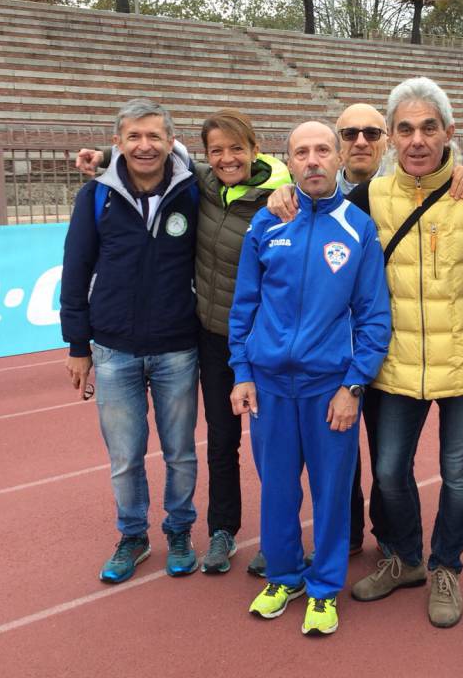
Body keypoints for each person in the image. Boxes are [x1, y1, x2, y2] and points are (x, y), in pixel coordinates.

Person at [74, 110, 292, 576]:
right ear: (204, 156)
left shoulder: (270, 196)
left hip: (250, 342)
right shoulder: (186, 187)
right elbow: (77, 269)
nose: (227, 158)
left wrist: (287, 185)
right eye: (217, 151)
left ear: (256, 149)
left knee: (264, 444)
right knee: (195, 444)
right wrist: (106, 153)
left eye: (237, 148)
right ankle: (188, 533)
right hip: (195, 338)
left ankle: (247, 536)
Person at [342, 77, 463, 629]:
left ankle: (445, 565)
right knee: (388, 473)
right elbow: (315, 214)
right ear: (389, 138)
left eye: (429, 127)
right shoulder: (369, 197)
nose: (417, 139)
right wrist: (283, 194)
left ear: (449, 133)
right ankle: (404, 558)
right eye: (404, 129)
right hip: (395, 363)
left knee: (457, 475)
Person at [229, 121, 390, 636]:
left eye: (324, 150)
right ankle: (283, 575)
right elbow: (245, 306)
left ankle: (323, 587)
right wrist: (242, 371)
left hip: (329, 389)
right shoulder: (266, 223)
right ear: (289, 161)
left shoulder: (358, 227)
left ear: (340, 158)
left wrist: (353, 384)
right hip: (270, 384)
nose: (314, 160)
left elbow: (372, 316)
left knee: (330, 490)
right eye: (303, 152)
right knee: (277, 488)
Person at [61, 99, 201, 584]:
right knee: (125, 456)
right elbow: (75, 272)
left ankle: (180, 530)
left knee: (180, 450)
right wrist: (78, 346)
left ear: (170, 142)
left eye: (155, 137)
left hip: (178, 346)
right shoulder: (95, 197)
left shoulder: (193, 190)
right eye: (134, 137)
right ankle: (134, 535)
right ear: (117, 142)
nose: (145, 146)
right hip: (113, 347)